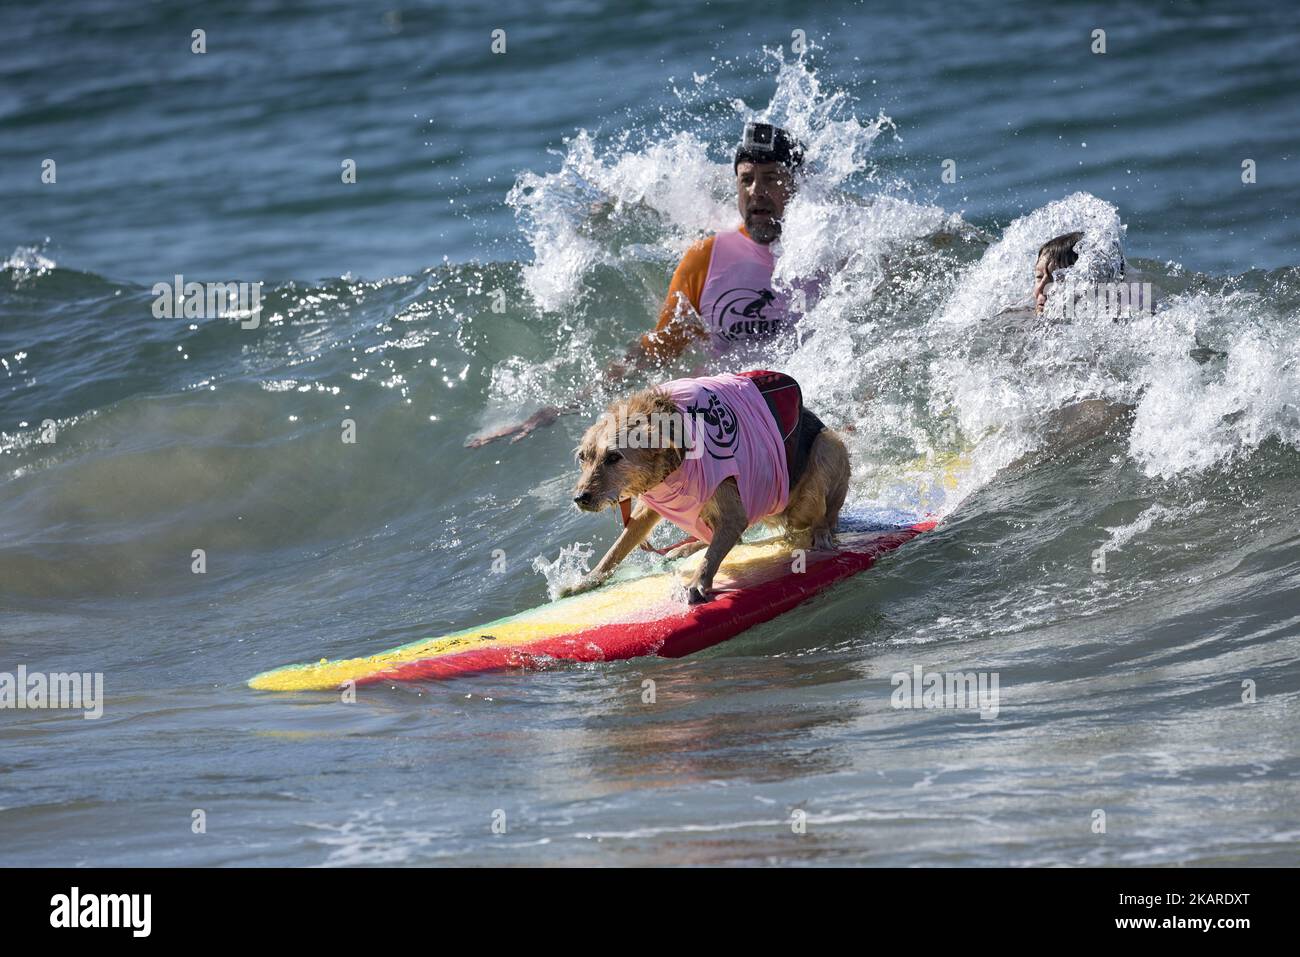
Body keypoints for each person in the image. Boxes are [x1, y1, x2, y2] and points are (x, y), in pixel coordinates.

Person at [467, 121, 812, 448]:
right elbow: (657, 349)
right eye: (747, 180)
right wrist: (562, 408)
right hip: (724, 418)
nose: (757, 192)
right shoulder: (708, 258)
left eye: (771, 179)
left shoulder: (826, 255)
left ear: (797, 183)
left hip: (801, 407)